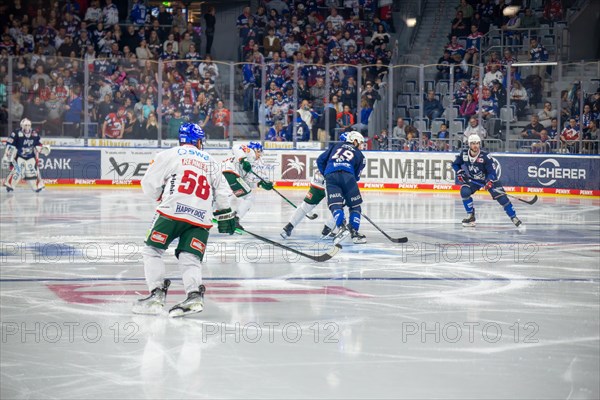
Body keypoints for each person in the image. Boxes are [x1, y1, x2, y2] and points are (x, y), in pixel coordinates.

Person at [132, 123, 236, 317]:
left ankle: (156, 294)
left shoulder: (169, 154)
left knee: (152, 250)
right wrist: (225, 214)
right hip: (201, 218)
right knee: (190, 258)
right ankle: (194, 295)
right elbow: (222, 192)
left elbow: (148, 183)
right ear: (197, 140)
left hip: (172, 212)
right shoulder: (212, 161)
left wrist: (159, 196)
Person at [452, 134, 522, 228]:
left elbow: (492, 172)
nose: (475, 145)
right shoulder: (464, 154)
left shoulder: (486, 156)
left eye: (477, 143)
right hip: (474, 180)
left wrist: (489, 181)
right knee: (464, 191)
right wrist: (459, 172)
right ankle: (471, 216)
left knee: (502, 198)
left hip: (489, 180)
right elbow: (455, 164)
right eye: (473, 143)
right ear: (469, 144)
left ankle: (514, 217)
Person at [316, 131, 367, 244]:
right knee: (355, 206)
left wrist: (326, 173)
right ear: (355, 141)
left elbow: (320, 160)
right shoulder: (361, 156)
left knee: (335, 205)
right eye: (361, 143)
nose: (362, 146)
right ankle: (354, 233)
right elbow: (357, 177)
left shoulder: (336, 145)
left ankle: (341, 228)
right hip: (348, 177)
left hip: (331, 176)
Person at [222, 141, 273, 225]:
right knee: (249, 197)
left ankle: (213, 212)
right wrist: (243, 160)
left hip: (223, 174)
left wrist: (259, 184)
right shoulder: (250, 153)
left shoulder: (250, 162)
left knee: (224, 194)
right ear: (255, 149)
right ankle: (236, 219)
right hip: (230, 173)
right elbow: (236, 146)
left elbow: (245, 182)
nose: (260, 155)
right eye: (259, 152)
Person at [2, 118, 51, 193]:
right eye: (25, 125)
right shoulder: (16, 133)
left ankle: (37, 186)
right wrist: (7, 155)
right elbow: (10, 144)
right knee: (17, 172)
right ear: (21, 125)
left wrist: (43, 148)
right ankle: (10, 185)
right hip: (19, 156)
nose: (27, 127)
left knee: (32, 172)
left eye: (28, 125)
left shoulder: (34, 133)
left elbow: (38, 144)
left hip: (30, 156)